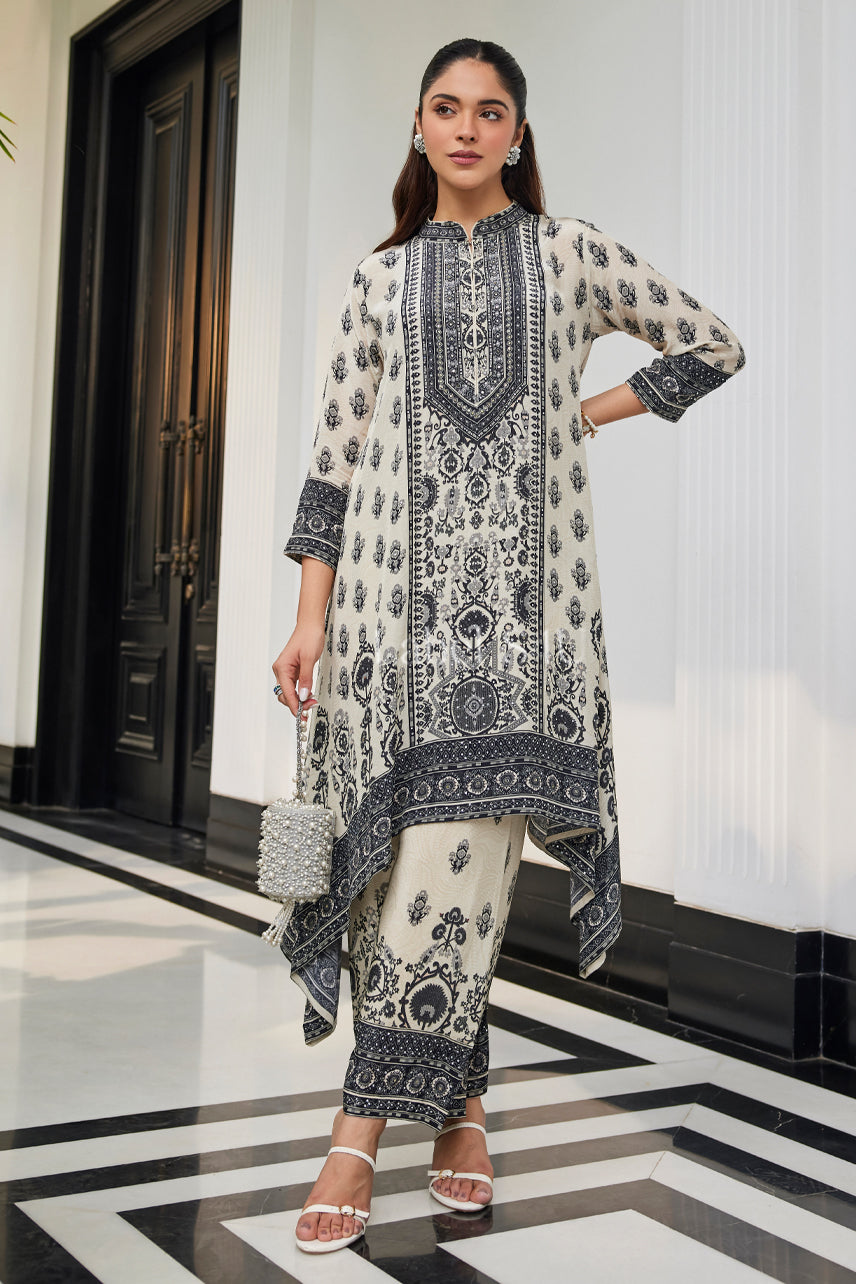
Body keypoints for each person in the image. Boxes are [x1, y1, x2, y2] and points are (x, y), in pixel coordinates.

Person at [272, 37, 746, 1253]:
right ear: (419, 128)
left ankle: (357, 1129)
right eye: (447, 108)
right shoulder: (378, 279)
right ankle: (465, 1110)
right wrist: (310, 616)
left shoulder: (569, 253)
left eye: (491, 112)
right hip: (384, 616)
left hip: (525, 626)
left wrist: (580, 413)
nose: (469, 128)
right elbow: (334, 457)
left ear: (517, 134)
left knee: (461, 853)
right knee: (397, 869)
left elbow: (711, 344)